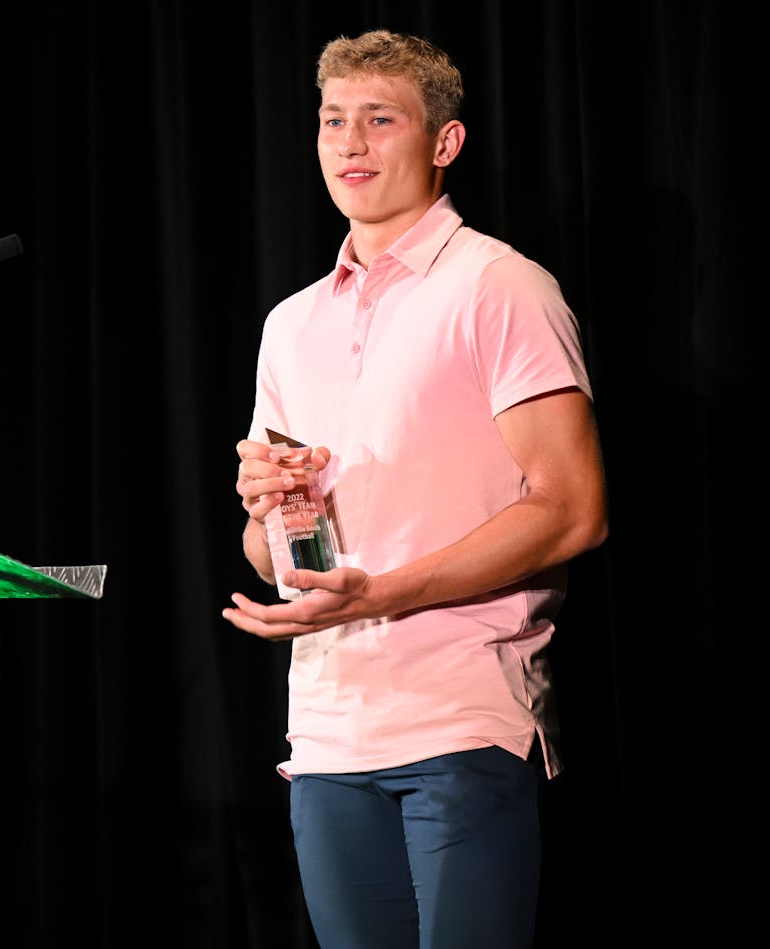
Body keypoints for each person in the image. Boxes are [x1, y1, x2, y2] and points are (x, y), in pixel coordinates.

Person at [222, 30, 608, 949]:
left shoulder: (499, 287)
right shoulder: (292, 323)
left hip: (461, 715)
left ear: (444, 143)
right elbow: (275, 554)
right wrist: (263, 508)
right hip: (328, 729)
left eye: (379, 119)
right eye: (331, 121)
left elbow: (574, 508)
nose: (349, 143)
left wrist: (386, 592)